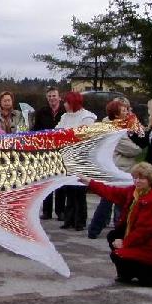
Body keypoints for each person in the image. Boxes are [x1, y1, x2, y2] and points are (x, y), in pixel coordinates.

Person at [79, 162, 152, 287]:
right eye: (135, 178)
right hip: (143, 240)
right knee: (113, 236)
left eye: (142, 178)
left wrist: (125, 243)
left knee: (119, 254)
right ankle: (126, 274)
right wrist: (90, 182)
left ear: (150, 180)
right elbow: (112, 192)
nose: (137, 181)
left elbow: (145, 231)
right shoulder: (134, 191)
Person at [88, 99, 142, 239]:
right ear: (117, 113)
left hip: (115, 166)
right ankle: (111, 231)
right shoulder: (115, 130)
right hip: (119, 167)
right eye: (124, 110)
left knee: (110, 200)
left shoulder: (117, 126)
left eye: (128, 109)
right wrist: (138, 145)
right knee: (114, 201)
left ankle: (99, 229)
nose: (128, 112)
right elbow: (133, 149)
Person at [55, 91, 97, 231]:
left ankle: (80, 220)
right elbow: (57, 132)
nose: (64, 104)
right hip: (67, 157)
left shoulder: (87, 117)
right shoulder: (65, 117)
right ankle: (69, 219)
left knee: (79, 191)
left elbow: (86, 137)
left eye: (67, 102)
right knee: (69, 189)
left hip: (81, 158)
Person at [34, 87, 67, 220]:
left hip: (61, 150)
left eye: (54, 96)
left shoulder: (65, 112)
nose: (52, 98)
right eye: (49, 96)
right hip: (45, 151)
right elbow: (36, 130)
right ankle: (46, 211)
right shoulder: (41, 112)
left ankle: (60, 210)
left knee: (60, 182)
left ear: (59, 97)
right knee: (46, 181)